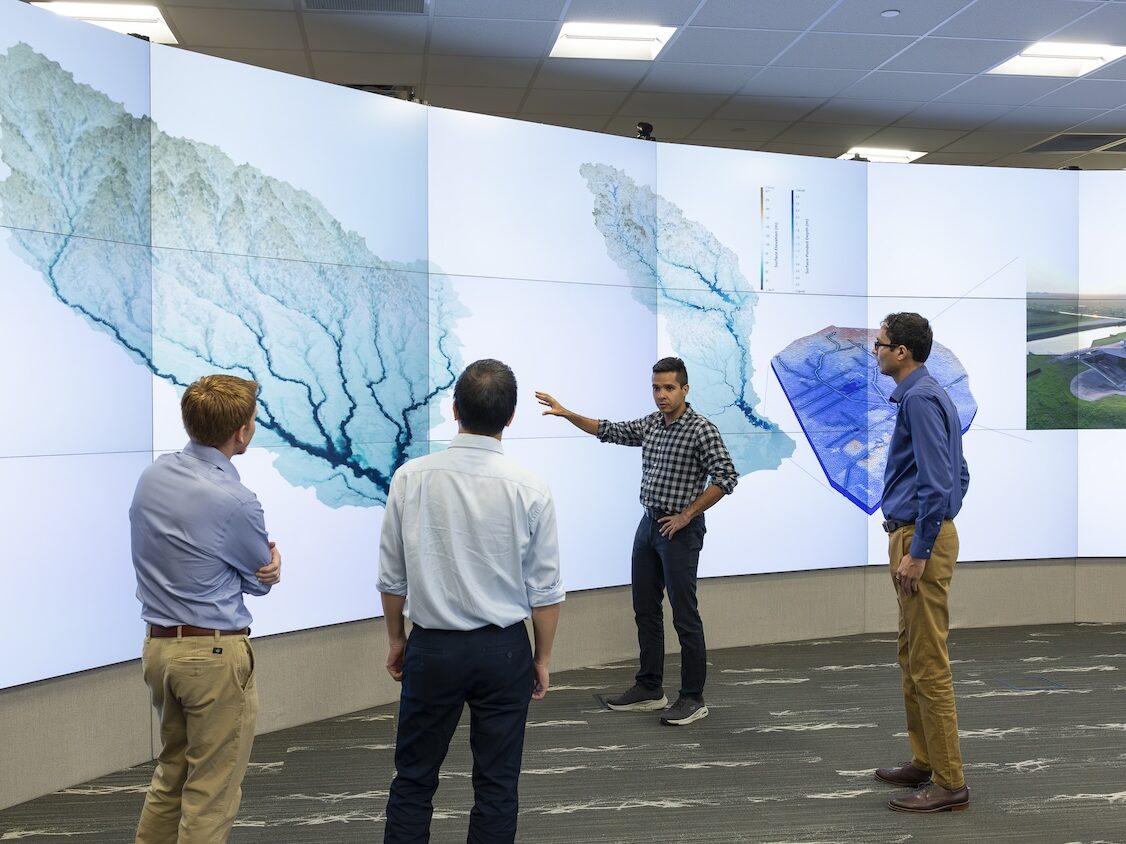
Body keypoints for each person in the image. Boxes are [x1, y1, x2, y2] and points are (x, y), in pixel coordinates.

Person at [378, 359, 564, 844]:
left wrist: (397, 640)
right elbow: (545, 590)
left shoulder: (410, 478)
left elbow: (392, 578)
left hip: (432, 648)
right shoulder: (531, 488)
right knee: (497, 785)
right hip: (504, 652)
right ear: (512, 416)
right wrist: (542, 659)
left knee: (414, 779)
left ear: (455, 409)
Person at [535, 357, 737, 726]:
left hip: (679, 531)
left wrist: (686, 515)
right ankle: (650, 688)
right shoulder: (652, 424)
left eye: (669, 388)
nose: (661, 395)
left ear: (685, 389)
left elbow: (726, 477)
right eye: (656, 388)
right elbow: (608, 430)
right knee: (645, 609)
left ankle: (693, 698)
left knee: (685, 616)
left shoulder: (701, 430)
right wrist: (567, 413)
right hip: (648, 526)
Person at [131, 374, 282, 843]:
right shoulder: (236, 501)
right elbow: (259, 579)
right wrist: (268, 568)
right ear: (241, 431)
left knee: (171, 777)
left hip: (160, 651)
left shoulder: (153, 475)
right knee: (211, 795)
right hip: (212, 659)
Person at [872, 313, 971, 813]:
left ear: (902, 352)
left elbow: (939, 482)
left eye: (880, 344)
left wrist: (921, 548)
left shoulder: (919, 399)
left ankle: (949, 782)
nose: (875, 352)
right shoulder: (929, 395)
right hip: (916, 535)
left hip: (918, 541)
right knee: (911, 654)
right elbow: (960, 474)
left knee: (928, 663)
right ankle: (926, 761)